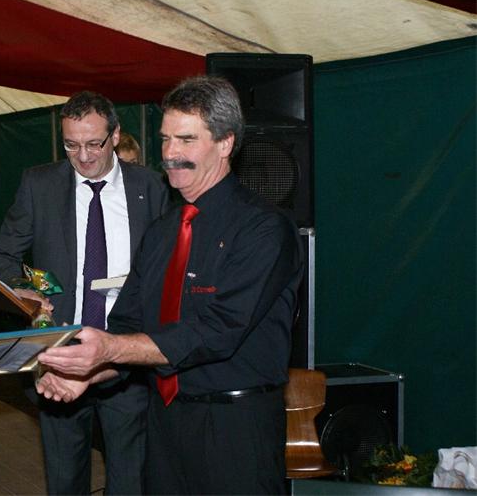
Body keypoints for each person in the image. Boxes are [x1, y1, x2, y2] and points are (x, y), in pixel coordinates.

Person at [36, 76, 304, 495]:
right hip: (163, 424)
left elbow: (218, 330)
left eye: (186, 140)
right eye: (165, 139)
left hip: (234, 429)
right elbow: (127, 325)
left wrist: (109, 350)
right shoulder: (163, 232)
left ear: (225, 143)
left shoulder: (265, 230)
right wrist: (88, 373)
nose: (170, 153)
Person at [0, 91, 170, 494]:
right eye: (71, 145)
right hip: (60, 357)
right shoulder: (39, 184)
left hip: (127, 357)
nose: (83, 156)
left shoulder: (152, 187)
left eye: (93, 144)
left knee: (131, 480)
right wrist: (27, 291)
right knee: (65, 478)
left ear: (115, 136)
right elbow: (3, 257)